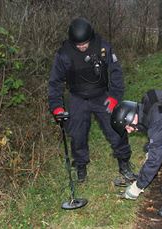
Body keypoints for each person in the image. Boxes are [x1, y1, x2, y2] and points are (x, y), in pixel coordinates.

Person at [49, 17, 135, 183]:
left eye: (85, 43)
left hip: (101, 96)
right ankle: (81, 167)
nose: (82, 47)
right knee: (77, 134)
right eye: (78, 44)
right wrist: (57, 107)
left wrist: (114, 97)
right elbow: (55, 82)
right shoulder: (64, 54)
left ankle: (124, 163)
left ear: (91, 38)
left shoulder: (102, 46)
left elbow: (116, 72)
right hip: (77, 97)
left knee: (116, 128)